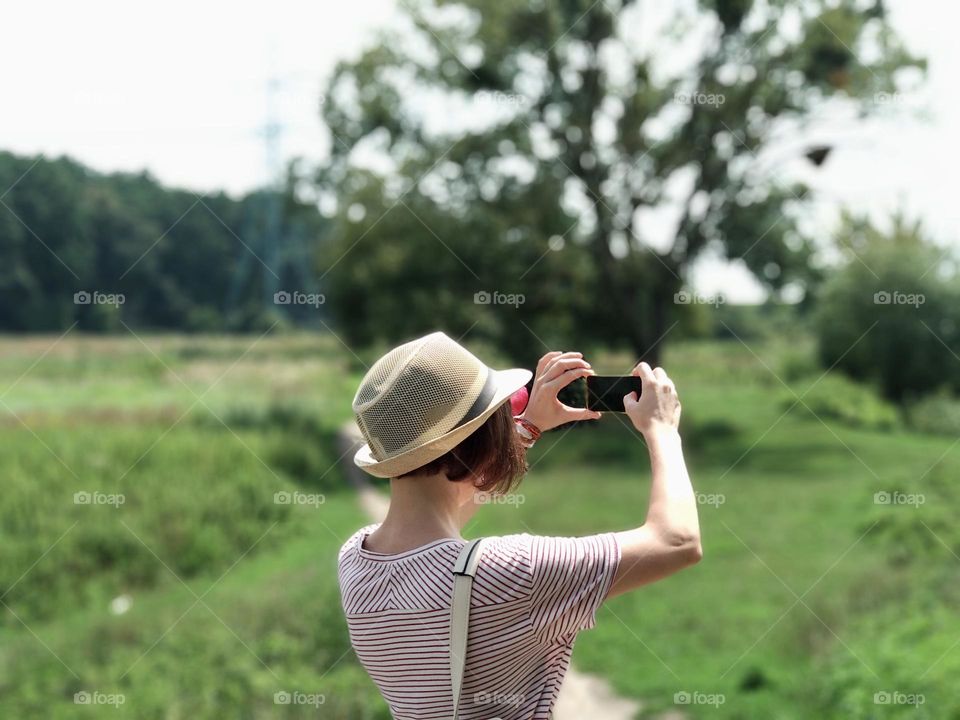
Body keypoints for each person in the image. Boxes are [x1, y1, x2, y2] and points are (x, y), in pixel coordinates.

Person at [338, 331, 701, 719]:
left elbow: (441, 517)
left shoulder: (356, 563)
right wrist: (662, 431)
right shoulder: (515, 571)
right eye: (498, 415)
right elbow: (677, 541)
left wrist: (526, 430)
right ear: (476, 440)